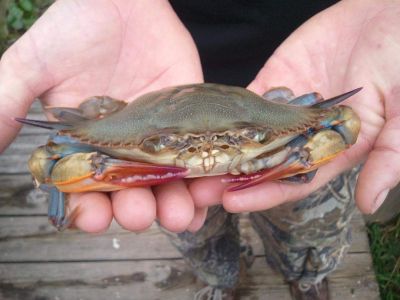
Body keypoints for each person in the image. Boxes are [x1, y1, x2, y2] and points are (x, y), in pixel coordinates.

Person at [0, 0, 399, 299]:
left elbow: (342, 122)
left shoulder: (289, 117)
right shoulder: (115, 130)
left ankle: (307, 277)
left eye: (245, 139)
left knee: (309, 224)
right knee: (192, 226)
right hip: (141, 58)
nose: (207, 157)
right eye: (162, 145)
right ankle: (221, 280)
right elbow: (47, 160)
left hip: (322, 54)